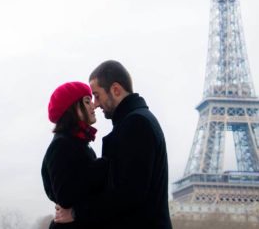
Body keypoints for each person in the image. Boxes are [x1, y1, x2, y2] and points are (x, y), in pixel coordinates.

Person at [55, 60, 172, 229]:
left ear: (115, 90)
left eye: (97, 95)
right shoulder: (137, 120)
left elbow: (128, 195)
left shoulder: (135, 124)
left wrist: (75, 212)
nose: (95, 103)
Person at [41, 81, 107, 228]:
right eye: (87, 101)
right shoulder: (61, 145)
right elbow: (64, 195)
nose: (93, 106)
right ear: (72, 107)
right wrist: (104, 165)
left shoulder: (77, 142)